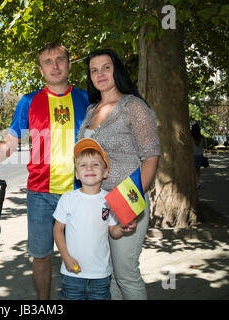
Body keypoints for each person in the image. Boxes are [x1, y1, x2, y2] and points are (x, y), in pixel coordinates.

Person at [0, 42, 90, 299]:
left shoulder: (86, 98)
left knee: (79, 256)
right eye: (48, 62)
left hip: (80, 193)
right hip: (40, 194)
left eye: (60, 59)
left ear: (69, 64)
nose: (55, 66)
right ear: (41, 70)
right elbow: (11, 141)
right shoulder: (29, 101)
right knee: (41, 256)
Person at [76, 48, 160, 300]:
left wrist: (128, 207)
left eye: (106, 67)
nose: (99, 73)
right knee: (107, 275)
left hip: (125, 201)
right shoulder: (91, 110)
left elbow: (151, 158)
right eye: (93, 70)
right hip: (96, 205)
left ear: (117, 71)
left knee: (126, 275)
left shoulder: (133, 106)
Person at [53, 138, 137, 300]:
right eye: (83, 165)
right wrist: (66, 257)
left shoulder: (111, 200)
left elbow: (113, 231)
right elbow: (57, 230)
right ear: (77, 173)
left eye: (95, 164)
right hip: (72, 274)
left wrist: (121, 228)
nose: (89, 168)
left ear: (106, 172)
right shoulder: (68, 198)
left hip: (100, 276)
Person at [191, 123, 205, 189]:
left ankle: (195, 182)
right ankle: (198, 182)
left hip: (192, 155)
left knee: (193, 170)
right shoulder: (202, 137)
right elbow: (205, 145)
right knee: (198, 170)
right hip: (200, 155)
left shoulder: (190, 137)